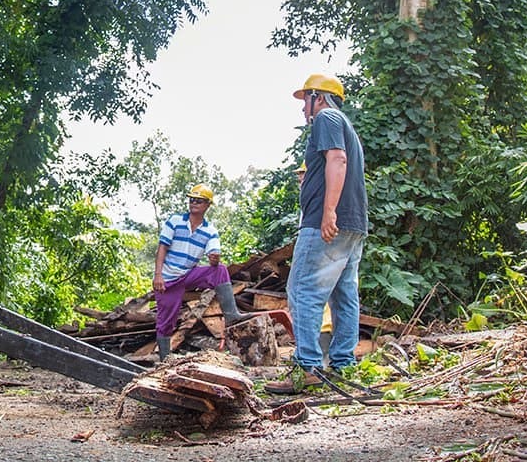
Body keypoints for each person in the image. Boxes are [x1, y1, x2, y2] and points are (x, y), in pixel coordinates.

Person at [268, 74, 369, 394]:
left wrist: (328, 212)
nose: (303, 110)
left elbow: (336, 160)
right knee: (344, 295)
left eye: (305, 101)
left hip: (328, 222)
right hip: (354, 224)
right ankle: (342, 363)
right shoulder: (346, 125)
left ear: (318, 97)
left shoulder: (326, 117)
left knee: (303, 289)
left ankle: (308, 365)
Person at [151, 184, 264, 361]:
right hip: (168, 277)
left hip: (188, 274)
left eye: (199, 201)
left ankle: (232, 314)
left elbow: (214, 254)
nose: (194, 203)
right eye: (192, 200)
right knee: (166, 321)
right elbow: (162, 247)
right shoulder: (175, 221)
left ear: (207, 205)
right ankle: (165, 358)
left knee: (219, 270)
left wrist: (214, 259)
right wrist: (158, 275)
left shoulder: (210, 231)